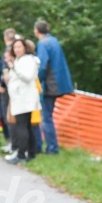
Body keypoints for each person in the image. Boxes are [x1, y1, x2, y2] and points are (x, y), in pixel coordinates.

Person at [34, 20, 73, 154]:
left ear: (36, 31)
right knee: (48, 116)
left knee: (46, 118)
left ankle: (52, 148)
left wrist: (37, 80)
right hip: (59, 84)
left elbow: (42, 65)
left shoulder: (43, 43)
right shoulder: (54, 41)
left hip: (49, 85)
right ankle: (52, 146)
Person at [5, 38, 41, 164]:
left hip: (25, 98)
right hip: (19, 98)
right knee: (27, 127)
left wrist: (13, 67)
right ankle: (31, 153)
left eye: (19, 47)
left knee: (22, 127)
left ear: (25, 47)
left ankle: (21, 154)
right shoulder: (18, 60)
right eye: (15, 47)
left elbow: (27, 77)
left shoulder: (29, 60)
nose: (17, 49)